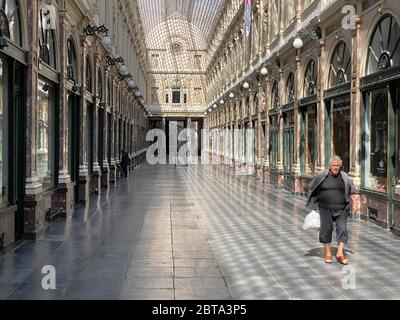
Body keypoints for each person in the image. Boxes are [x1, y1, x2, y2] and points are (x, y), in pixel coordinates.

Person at [306, 155, 358, 265]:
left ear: (340, 166)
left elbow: (352, 191)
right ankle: (328, 253)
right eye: (334, 165)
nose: (335, 168)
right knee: (326, 230)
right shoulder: (322, 175)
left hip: (342, 209)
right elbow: (311, 186)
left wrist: (354, 204)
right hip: (325, 209)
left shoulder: (345, 177)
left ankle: (340, 253)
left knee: (342, 229)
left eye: (337, 166)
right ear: (330, 166)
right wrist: (312, 199)